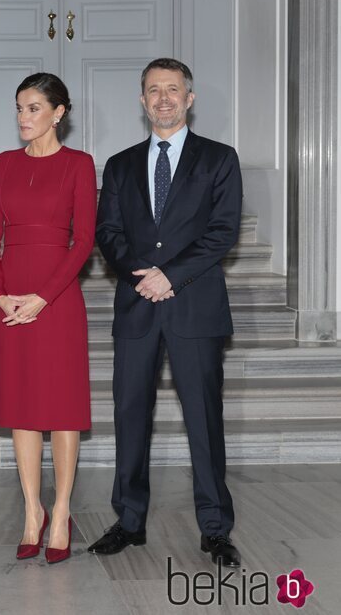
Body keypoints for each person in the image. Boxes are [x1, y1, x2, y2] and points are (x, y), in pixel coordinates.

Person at [89, 58, 242, 567]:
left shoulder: (220, 159)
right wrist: (142, 272)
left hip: (194, 308)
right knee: (130, 415)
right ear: (142, 101)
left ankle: (215, 529)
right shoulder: (119, 164)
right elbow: (107, 232)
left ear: (189, 98)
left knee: (203, 419)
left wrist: (170, 275)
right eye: (153, 90)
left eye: (172, 89)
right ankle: (129, 521)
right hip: (136, 306)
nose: (163, 98)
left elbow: (222, 232)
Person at [0, 73, 96, 565]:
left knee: (63, 410)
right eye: (19, 108)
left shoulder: (80, 165)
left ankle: (63, 510)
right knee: (23, 409)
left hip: (59, 299)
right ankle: (33, 512)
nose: (24, 118)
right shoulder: (3, 164)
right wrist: (0, 295)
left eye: (33, 108)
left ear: (58, 112)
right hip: (10, 302)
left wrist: (43, 298)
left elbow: (85, 241)